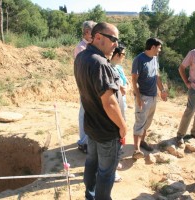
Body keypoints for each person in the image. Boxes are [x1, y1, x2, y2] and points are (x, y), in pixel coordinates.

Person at [74, 22, 127, 200]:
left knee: (91, 164)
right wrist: (122, 125)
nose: (116, 45)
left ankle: (90, 195)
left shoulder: (81, 57)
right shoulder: (100, 64)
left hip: (92, 125)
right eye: (113, 39)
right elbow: (109, 103)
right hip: (106, 130)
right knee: (106, 172)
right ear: (98, 37)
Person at [131, 37, 168, 159]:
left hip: (153, 97)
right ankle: (136, 150)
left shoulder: (155, 58)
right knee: (140, 122)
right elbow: (134, 80)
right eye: (159, 48)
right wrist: (138, 97)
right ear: (153, 47)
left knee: (147, 122)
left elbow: (157, 76)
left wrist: (162, 90)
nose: (160, 50)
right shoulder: (139, 59)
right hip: (143, 96)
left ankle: (142, 142)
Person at [74, 20, 97, 153]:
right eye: (94, 32)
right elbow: (83, 69)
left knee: (91, 114)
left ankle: (88, 140)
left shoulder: (90, 46)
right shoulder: (81, 48)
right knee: (84, 113)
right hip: (86, 87)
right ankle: (83, 142)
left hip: (93, 87)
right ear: (87, 32)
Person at [110, 43, 130, 182]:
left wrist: (125, 88)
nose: (124, 57)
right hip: (114, 105)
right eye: (123, 54)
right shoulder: (107, 68)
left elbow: (127, 84)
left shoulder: (119, 68)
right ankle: (112, 170)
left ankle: (115, 163)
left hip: (122, 103)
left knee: (120, 135)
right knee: (115, 136)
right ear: (117, 55)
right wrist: (120, 87)